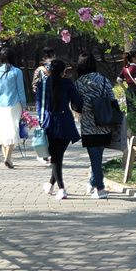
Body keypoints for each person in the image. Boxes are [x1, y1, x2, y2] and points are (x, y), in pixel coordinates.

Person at [39, 58, 83, 200]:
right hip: (66, 123)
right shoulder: (68, 83)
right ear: (63, 71)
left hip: (49, 123)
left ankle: (61, 188)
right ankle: (51, 184)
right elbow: (78, 101)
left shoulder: (43, 84)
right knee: (58, 157)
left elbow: (40, 105)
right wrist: (79, 109)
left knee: (56, 158)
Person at [75, 52, 117, 199]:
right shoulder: (104, 80)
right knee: (97, 157)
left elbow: (76, 104)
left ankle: (100, 189)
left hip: (88, 126)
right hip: (105, 124)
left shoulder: (79, 83)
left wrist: (81, 109)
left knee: (95, 158)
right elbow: (112, 100)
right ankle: (92, 182)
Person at [0, 47, 26, 169]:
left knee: (2, 131)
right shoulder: (17, 72)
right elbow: (20, 90)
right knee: (13, 130)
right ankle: (8, 158)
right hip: (14, 104)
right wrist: (24, 106)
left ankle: (7, 158)